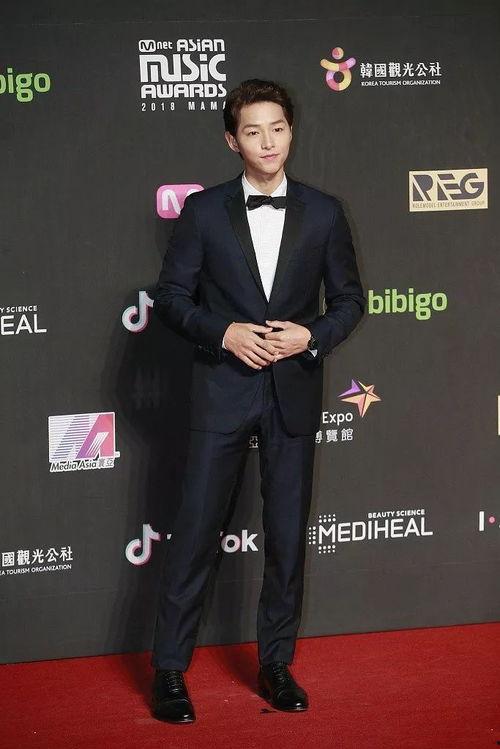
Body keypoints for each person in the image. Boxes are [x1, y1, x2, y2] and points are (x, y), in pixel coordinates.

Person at [150, 78, 365, 723]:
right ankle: (169, 670)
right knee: (194, 533)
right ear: (232, 141)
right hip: (222, 389)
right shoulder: (203, 212)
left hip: (292, 393)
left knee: (287, 537)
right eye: (252, 131)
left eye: (277, 128)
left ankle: (276, 664)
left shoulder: (324, 213)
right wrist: (224, 333)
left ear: (291, 131)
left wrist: (311, 336)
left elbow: (349, 300)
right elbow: (170, 298)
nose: (267, 142)